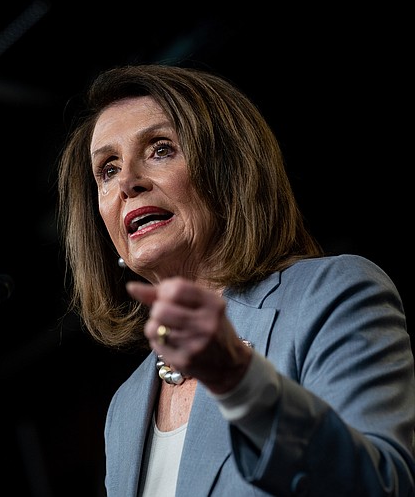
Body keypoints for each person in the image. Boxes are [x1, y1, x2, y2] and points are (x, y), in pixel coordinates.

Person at [56, 63, 415, 496]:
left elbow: (379, 487)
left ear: (229, 170)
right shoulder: (126, 405)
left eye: (160, 149)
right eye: (108, 170)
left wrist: (241, 383)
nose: (128, 183)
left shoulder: (332, 294)